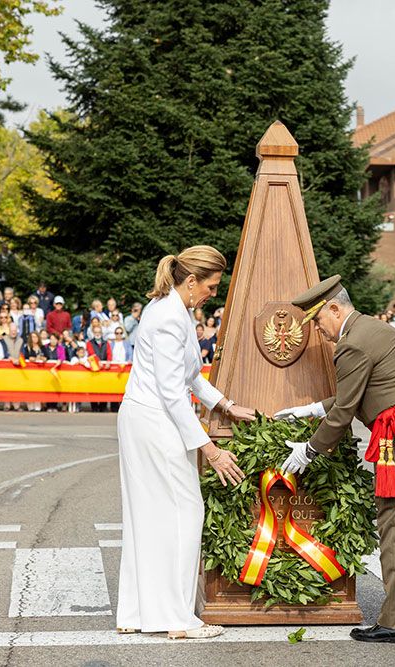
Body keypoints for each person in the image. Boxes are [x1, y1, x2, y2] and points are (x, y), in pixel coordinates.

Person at [274, 275, 395, 645]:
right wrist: (307, 410)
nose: (319, 333)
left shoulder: (351, 344)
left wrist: (308, 450)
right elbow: (362, 393)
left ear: (335, 309)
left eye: (318, 322)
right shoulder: (372, 329)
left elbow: (343, 412)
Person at [116, 246, 254, 640]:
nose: (214, 292)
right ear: (191, 281)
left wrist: (225, 405)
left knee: (150, 516)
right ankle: (176, 619)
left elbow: (190, 375)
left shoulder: (171, 310)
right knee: (185, 512)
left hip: (149, 417)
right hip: (153, 420)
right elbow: (173, 392)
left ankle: (139, 611)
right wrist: (210, 449)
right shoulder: (168, 318)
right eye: (211, 286)